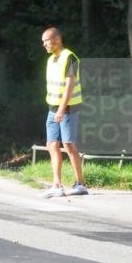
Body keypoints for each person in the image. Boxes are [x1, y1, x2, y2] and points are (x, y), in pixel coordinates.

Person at [42, 27, 87, 197]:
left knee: (68, 145)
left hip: (68, 108)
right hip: (52, 108)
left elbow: (69, 87)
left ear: (57, 39)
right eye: (43, 41)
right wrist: (55, 109)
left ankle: (80, 184)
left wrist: (61, 109)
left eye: (46, 40)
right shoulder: (51, 60)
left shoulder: (70, 58)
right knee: (52, 144)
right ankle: (57, 185)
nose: (44, 44)